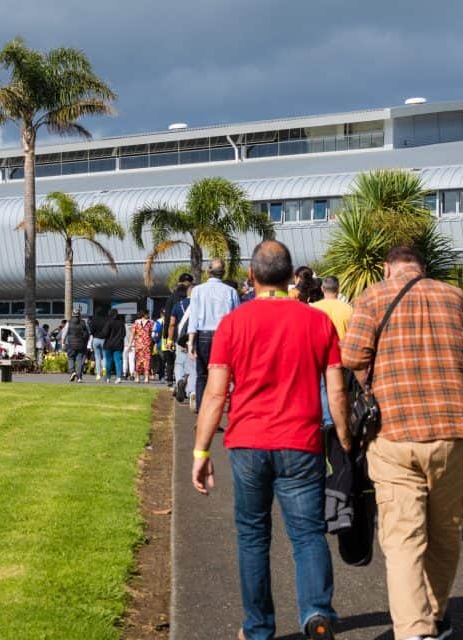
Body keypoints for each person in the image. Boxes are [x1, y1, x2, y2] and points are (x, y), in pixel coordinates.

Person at [192, 240, 351, 640]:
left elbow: (214, 393)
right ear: (291, 276)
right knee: (308, 533)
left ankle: (258, 628)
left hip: (248, 443)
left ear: (251, 276)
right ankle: (316, 613)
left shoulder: (233, 323)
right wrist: (346, 443)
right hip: (301, 442)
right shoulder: (318, 322)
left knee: (252, 535)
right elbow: (337, 392)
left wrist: (201, 449)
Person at [342, 246, 463, 640]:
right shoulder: (454, 296)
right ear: (424, 267)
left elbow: (352, 356)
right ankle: (436, 615)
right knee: (445, 531)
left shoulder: (373, 296)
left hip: (394, 431)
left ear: (387, 268)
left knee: (404, 539)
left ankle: (413, 631)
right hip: (451, 427)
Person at [187, 258, 240, 412]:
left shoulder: (198, 290)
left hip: (203, 335)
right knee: (222, 375)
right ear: (223, 273)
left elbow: (194, 318)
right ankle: (216, 412)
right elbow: (235, 319)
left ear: (208, 272)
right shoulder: (230, 291)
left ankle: (202, 412)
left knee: (202, 375)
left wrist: (191, 343)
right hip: (224, 336)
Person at [311, 275, 352, 429]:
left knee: (322, 389)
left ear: (322, 289)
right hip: (342, 358)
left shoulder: (313, 308)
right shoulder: (348, 309)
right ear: (338, 289)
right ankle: (341, 420)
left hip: (319, 357)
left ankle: (327, 421)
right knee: (342, 391)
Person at [162, 273, 194, 386]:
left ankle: (173, 379)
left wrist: (167, 337)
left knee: (177, 360)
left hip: (177, 333)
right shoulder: (195, 298)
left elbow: (168, 320)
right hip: (193, 333)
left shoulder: (172, 297)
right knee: (191, 360)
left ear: (179, 282)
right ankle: (189, 384)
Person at [100, 309, 126, 384]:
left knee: (108, 361)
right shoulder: (121, 323)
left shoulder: (108, 322)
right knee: (118, 361)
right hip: (118, 345)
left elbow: (104, 333)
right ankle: (119, 377)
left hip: (108, 344)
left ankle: (108, 378)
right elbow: (124, 334)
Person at [64, 309, 91, 383]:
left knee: (70, 358)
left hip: (71, 345)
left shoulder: (68, 323)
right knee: (79, 360)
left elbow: (64, 334)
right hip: (81, 345)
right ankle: (79, 377)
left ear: (72, 314)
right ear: (79, 315)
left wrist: (63, 342)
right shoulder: (83, 323)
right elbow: (88, 333)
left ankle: (72, 372)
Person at [130, 310, 154, 383]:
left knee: (138, 361)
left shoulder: (136, 323)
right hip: (147, 345)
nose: (148, 315)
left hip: (138, 345)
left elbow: (132, 334)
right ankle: (146, 378)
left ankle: (137, 377)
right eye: (147, 314)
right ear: (144, 314)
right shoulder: (150, 323)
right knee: (147, 361)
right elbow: (153, 333)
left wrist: (129, 344)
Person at [91, 313, 107, 381]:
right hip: (104, 340)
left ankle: (98, 375)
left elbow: (91, 331)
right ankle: (104, 368)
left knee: (97, 358)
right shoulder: (106, 320)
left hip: (96, 339)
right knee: (105, 356)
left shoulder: (94, 320)